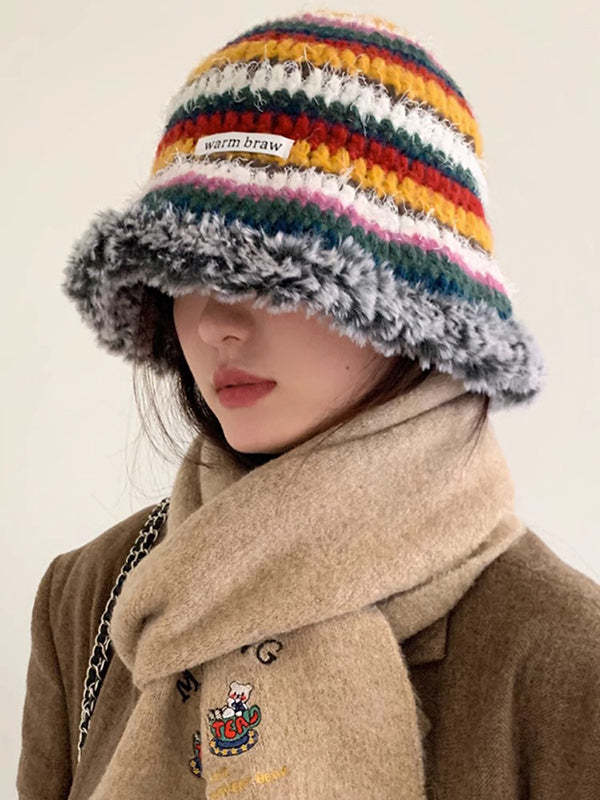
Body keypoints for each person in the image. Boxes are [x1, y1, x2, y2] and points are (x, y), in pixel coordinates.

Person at [17, 7, 600, 800]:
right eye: (183, 271)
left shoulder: (564, 657)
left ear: (408, 309)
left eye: (272, 275)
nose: (215, 323)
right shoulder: (88, 597)